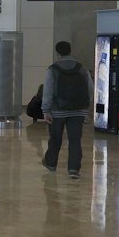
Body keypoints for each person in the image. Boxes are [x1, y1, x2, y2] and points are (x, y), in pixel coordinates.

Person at [41, 40, 91, 178]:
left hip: (57, 111)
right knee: (75, 140)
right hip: (78, 110)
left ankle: (51, 163)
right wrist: (85, 109)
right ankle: (73, 169)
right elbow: (90, 89)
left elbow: (48, 91)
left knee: (55, 138)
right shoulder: (81, 68)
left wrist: (46, 111)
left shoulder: (53, 69)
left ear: (57, 54)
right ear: (71, 51)